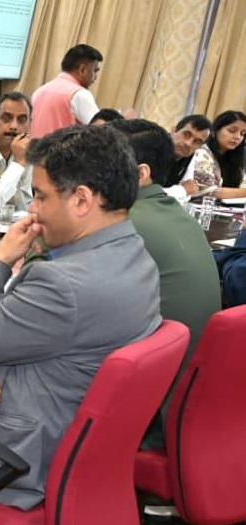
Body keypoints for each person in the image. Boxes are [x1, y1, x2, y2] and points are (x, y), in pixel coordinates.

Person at [0, 125, 162, 509]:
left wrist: (0, 261)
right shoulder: (136, 255)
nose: (32, 210)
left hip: (8, 463)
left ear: (82, 200)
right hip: (73, 446)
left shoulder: (61, 285)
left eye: (40, 196)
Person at [106, 118, 221, 451]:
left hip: (150, 416)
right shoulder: (177, 214)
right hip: (186, 403)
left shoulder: (125, 223)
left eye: (100, 164)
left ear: (141, 174)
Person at [31, 44, 104, 138]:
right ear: (82, 70)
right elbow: (102, 132)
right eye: (95, 71)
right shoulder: (79, 94)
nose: (95, 77)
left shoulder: (39, 92)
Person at [171, 110, 246, 200]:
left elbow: (243, 185)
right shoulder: (200, 152)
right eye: (232, 131)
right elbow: (210, 192)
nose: (237, 137)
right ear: (214, 131)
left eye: (242, 134)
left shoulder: (235, 158)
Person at [165, 114, 212, 191]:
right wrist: (181, 190)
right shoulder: (153, 146)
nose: (188, 143)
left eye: (197, 141)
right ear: (173, 131)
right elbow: (147, 193)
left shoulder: (189, 155)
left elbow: (189, 188)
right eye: (186, 134)